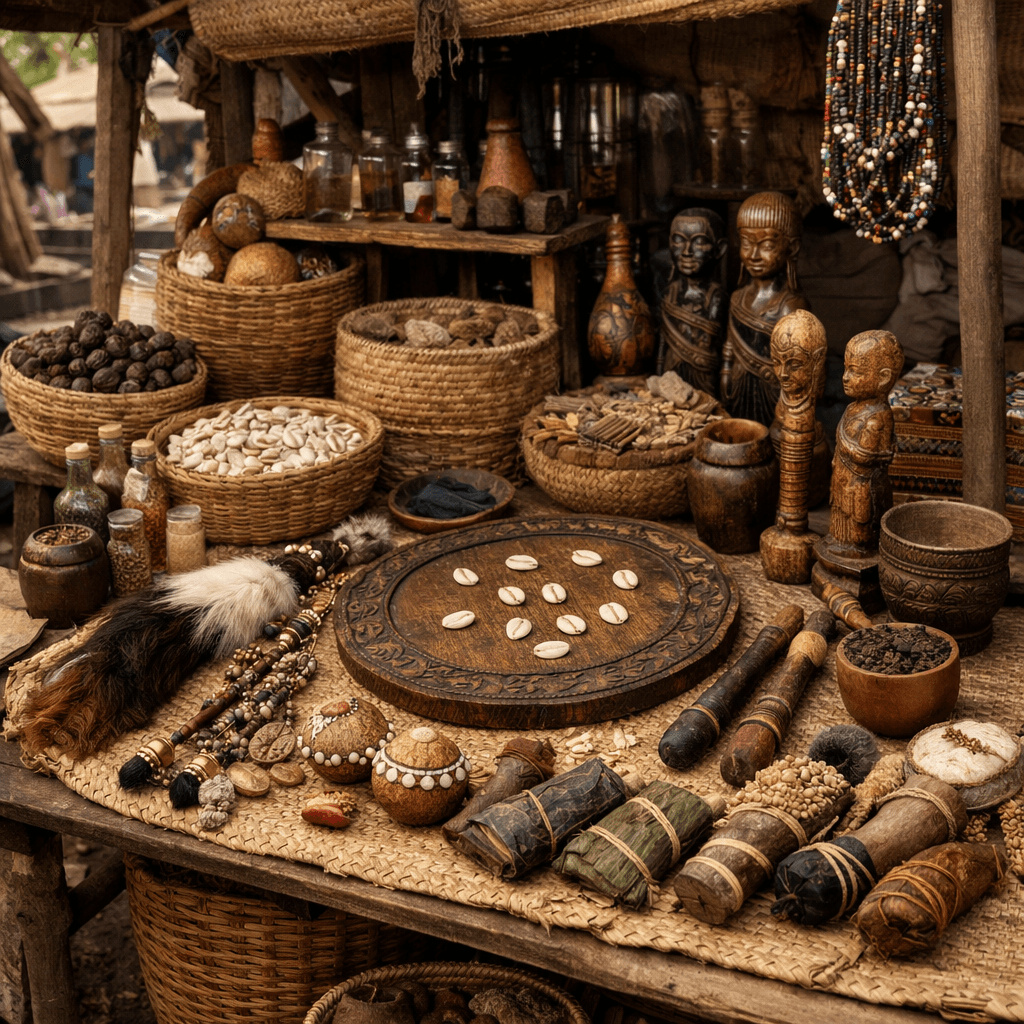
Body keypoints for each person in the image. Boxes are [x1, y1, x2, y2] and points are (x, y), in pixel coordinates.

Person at [720, 191, 806, 425]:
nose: (754, 255)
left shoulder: (790, 308)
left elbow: (800, 374)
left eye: (767, 245)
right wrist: (726, 373)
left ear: (792, 248)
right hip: (737, 391)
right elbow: (729, 345)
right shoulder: (737, 298)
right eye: (747, 243)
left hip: (773, 398)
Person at [820, 330, 904, 560]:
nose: (845, 377)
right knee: (840, 512)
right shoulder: (853, 408)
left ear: (884, 377)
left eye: (855, 371)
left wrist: (842, 441)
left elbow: (865, 456)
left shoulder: (877, 416)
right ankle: (841, 540)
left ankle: (859, 547)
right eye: (846, 369)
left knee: (860, 518)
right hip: (844, 476)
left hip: (861, 482)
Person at [658, 207, 728, 397]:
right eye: (679, 240)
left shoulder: (715, 296)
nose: (687, 251)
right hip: (671, 372)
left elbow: (716, 345)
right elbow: (663, 341)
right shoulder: (670, 292)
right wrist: (658, 375)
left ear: (719, 249)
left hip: (703, 373)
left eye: (699, 242)